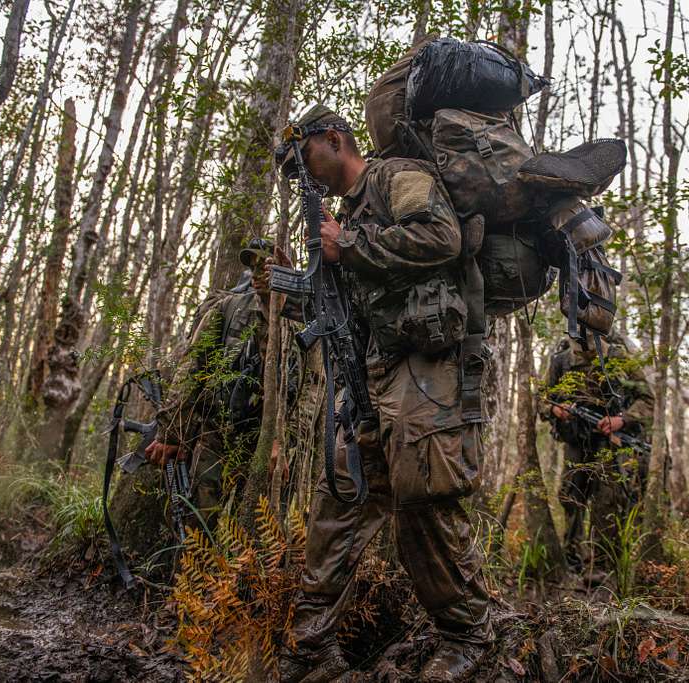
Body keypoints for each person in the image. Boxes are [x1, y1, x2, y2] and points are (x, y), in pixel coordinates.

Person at [272, 104, 494, 683]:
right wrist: (304, 283)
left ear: (335, 138)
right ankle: (309, 647)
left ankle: (468, 634)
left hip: (430, 363)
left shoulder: (396, 176)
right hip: (373, 373)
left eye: (307, 157)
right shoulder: (344, 217)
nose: (305, 174)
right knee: (343, 493)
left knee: (423, 496)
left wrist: (348, 247)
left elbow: (441, 236)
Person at [144, 239, 276, 522]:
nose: (257, 274)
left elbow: (306, 389)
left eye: (264, 266)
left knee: (259, 527)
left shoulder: (295, 320)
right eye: (252, 267)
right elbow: (192, 369)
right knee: (199, 521)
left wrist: (284, 444)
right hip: (216, 433)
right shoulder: (228, 309)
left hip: (263, 443)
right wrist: (171, 433)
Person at [540, 334, 653, 576]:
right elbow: (542, 398)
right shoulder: (560, 361)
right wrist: (555, 409)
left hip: (608, 443)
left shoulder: (619, 357)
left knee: (608, 500)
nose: (583, 350)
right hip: (575, 440)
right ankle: (572, 561)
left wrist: (621, 420)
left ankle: (603, 567)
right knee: (571, 497)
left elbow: (647, 400)